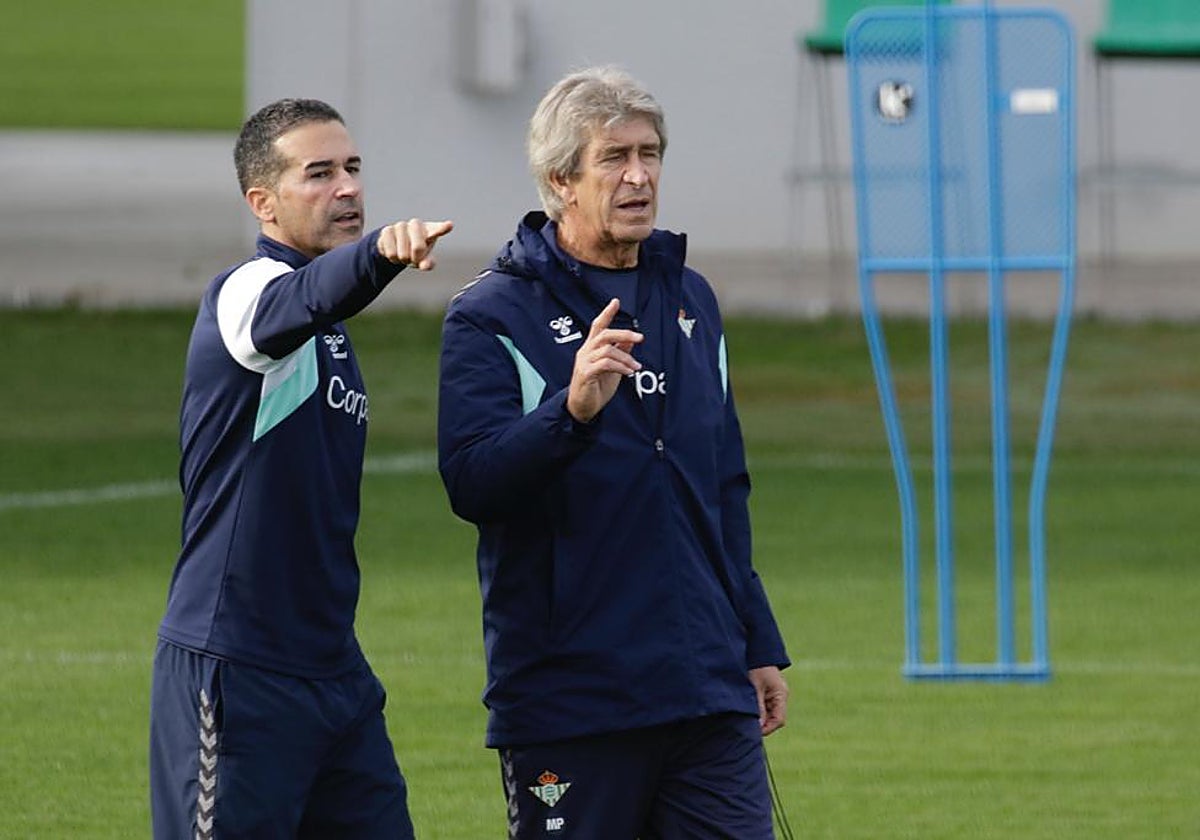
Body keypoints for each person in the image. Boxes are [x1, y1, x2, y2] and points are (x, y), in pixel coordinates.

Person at [437, 66, 790, 838]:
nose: (640, 176)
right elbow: (472, 483)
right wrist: (570, 412)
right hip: (572, 699)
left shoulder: (691, 297)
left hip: (705, 691)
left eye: (651, 153)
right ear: (561, 179)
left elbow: (722, 486)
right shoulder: (490, 316)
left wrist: (755, 640)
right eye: (615, 158)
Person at [150, 97, 452, 839]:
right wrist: (380, 252)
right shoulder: (246, 294)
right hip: (240, 667)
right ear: (263, 202)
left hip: (334, 674)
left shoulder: (328, 328)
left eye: (352, 168)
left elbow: (321, 302)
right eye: (318, 174)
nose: (347, 187)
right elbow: (300, 300)